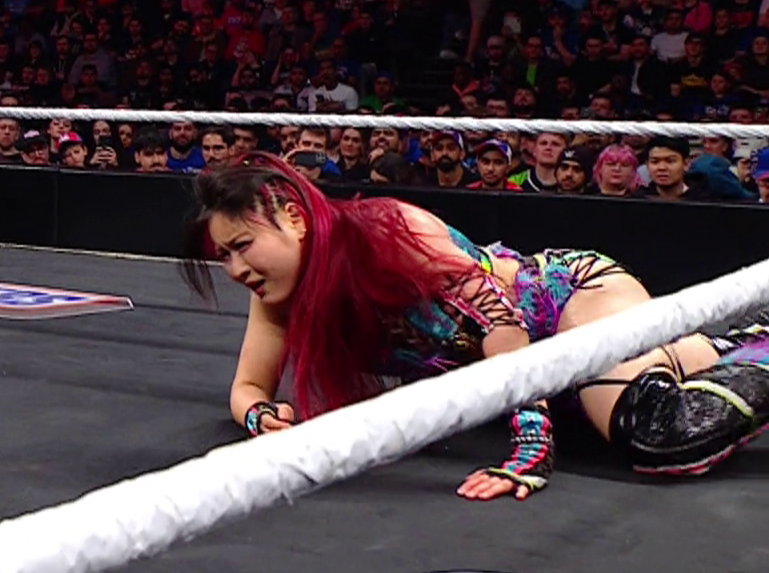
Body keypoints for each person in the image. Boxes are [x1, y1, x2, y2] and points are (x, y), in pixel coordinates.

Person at [183, 153, 769, 502]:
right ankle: (735, 341)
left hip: (569, 304)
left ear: (293, 218)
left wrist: (531, 450)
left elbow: (503, 326)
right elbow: (247, 388)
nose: (235, 270)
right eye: (224, 257)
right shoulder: (278, 295)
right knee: (659, 378)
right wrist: (263, 417)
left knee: (658, 432)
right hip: (541, 376)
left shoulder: (387, 229)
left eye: (242, 246)